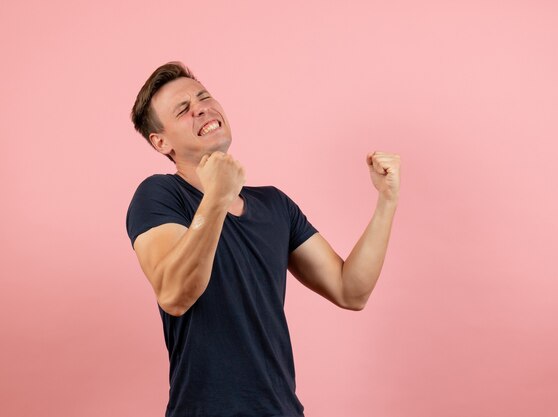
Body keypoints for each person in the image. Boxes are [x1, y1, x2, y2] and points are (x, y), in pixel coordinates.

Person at [125, 61, 400, 417]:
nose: (202, 108)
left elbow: (351, 290)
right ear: (160, 142)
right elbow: (175, 294)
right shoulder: (159, 195)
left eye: (204, 97)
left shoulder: (275, 205)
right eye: (183, 110)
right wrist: (217, 197)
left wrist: (386, 201)